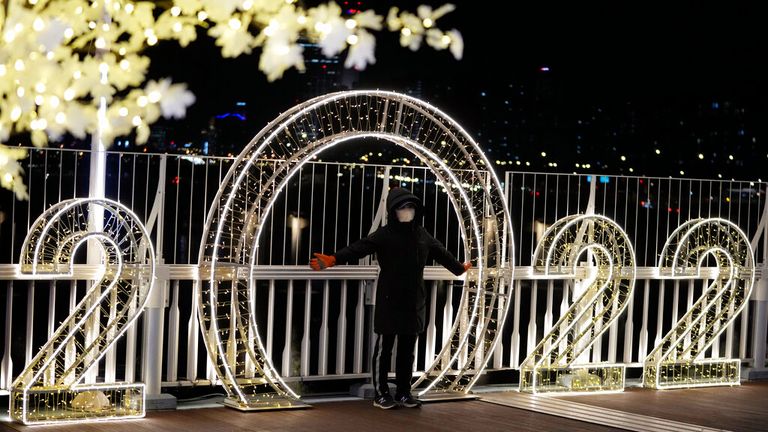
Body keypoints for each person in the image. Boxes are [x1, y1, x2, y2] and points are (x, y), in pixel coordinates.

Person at [310, 188, 471, 409]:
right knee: (384, 348)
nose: (407, 211)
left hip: (414, 300)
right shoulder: (384, 235)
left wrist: (458, 268)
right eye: (402, 207)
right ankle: (381, 393)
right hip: (389, 298)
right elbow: (359, 248)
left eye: (411, 207)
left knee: (407, 348)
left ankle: (404, 392)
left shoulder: (421, 234)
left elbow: (441, 253)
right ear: (393, 211)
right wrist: (334, 259)